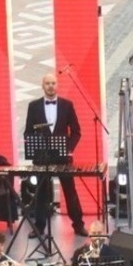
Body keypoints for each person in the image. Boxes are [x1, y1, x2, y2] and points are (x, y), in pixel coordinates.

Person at [23, 70, 85, 236]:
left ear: (57, 85)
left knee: (70, 192)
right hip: (42, 158)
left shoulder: (67, 105)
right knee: (41, 193)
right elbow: (28, 132)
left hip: (62, 157)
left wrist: (69, 149)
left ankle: (78, 224)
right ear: (42, 86)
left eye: (53, 83)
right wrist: (35, 147)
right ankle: (39, 226)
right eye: (47, 83)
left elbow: (76, 131)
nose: (50, 86)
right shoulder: (33, 106)